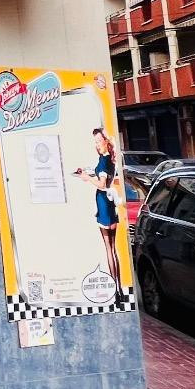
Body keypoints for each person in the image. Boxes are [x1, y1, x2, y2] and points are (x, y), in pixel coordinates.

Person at [73, 127, 127, 304]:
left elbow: (102, 184)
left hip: (104, 204)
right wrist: (89, 172)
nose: (96, 144)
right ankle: (119, 288)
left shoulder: (104, 161)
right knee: (113, 249)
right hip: (110, 204)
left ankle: (116, 291)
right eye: (95, 141)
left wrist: (87, 178)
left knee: (109, 249)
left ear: (105, 141)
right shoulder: (109, 158)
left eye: (99, 140)